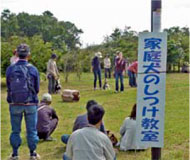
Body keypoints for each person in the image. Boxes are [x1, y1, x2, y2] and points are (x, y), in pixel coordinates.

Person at [6, 44, 40, 160]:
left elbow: (9, 86)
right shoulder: (33, 69)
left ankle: (15, 154)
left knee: (15, 130)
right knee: (31, 130)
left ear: (17, 54)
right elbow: (37, 89)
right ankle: (33, 153)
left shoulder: (10, 69)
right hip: (30, 103)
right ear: (28, 55)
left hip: (15, 103)